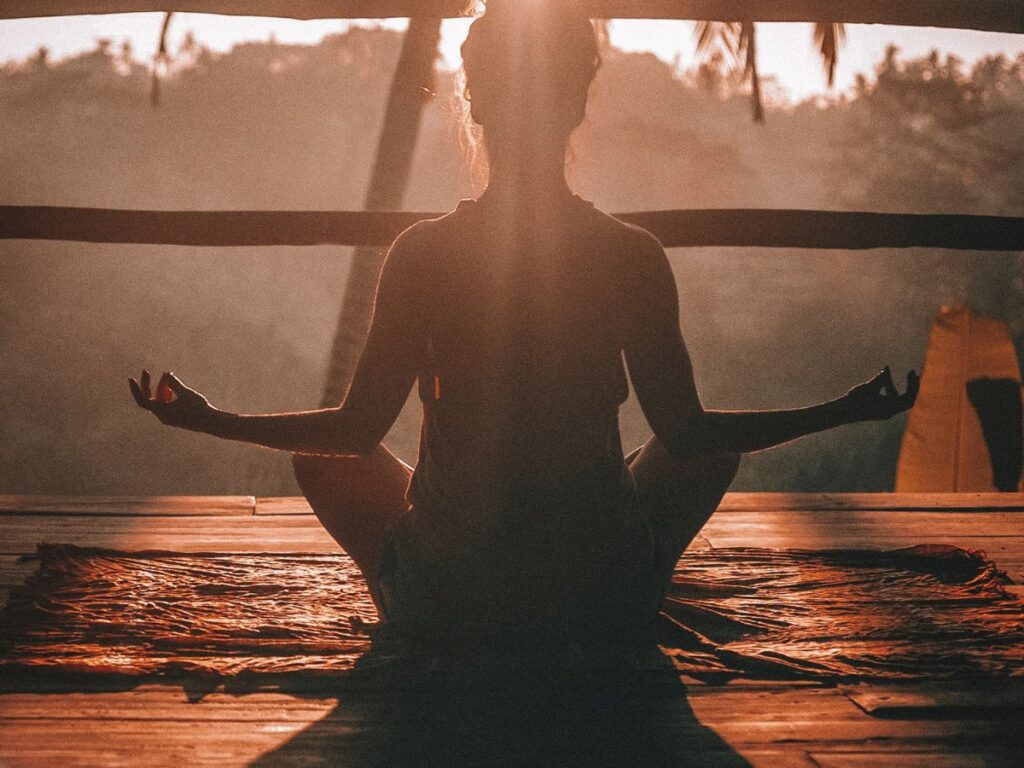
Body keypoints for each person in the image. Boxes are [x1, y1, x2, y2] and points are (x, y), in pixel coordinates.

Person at [130, 0, 918, 658]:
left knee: (326, 461)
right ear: (578, 101)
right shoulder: (628, 255)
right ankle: (627, 588)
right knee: (703, 454)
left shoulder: (425, 254)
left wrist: (213, 420)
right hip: (596, 603)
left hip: (453, 605)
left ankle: (419, 596)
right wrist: (842, 410)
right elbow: (688, 430)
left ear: (474, 99)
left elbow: (354, 428)